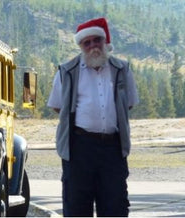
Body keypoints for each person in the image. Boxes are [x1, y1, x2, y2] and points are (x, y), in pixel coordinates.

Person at [47, 17, 139, 217]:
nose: (93, 46)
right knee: (77, 208)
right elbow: (57, 107)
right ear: (80, 46)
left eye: (96, 40)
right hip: (79, 148)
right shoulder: (67, 71)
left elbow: (128, 103)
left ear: (105, 41)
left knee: (116, 207)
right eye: (86, 43)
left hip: (113, 148)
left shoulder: (122, 69)